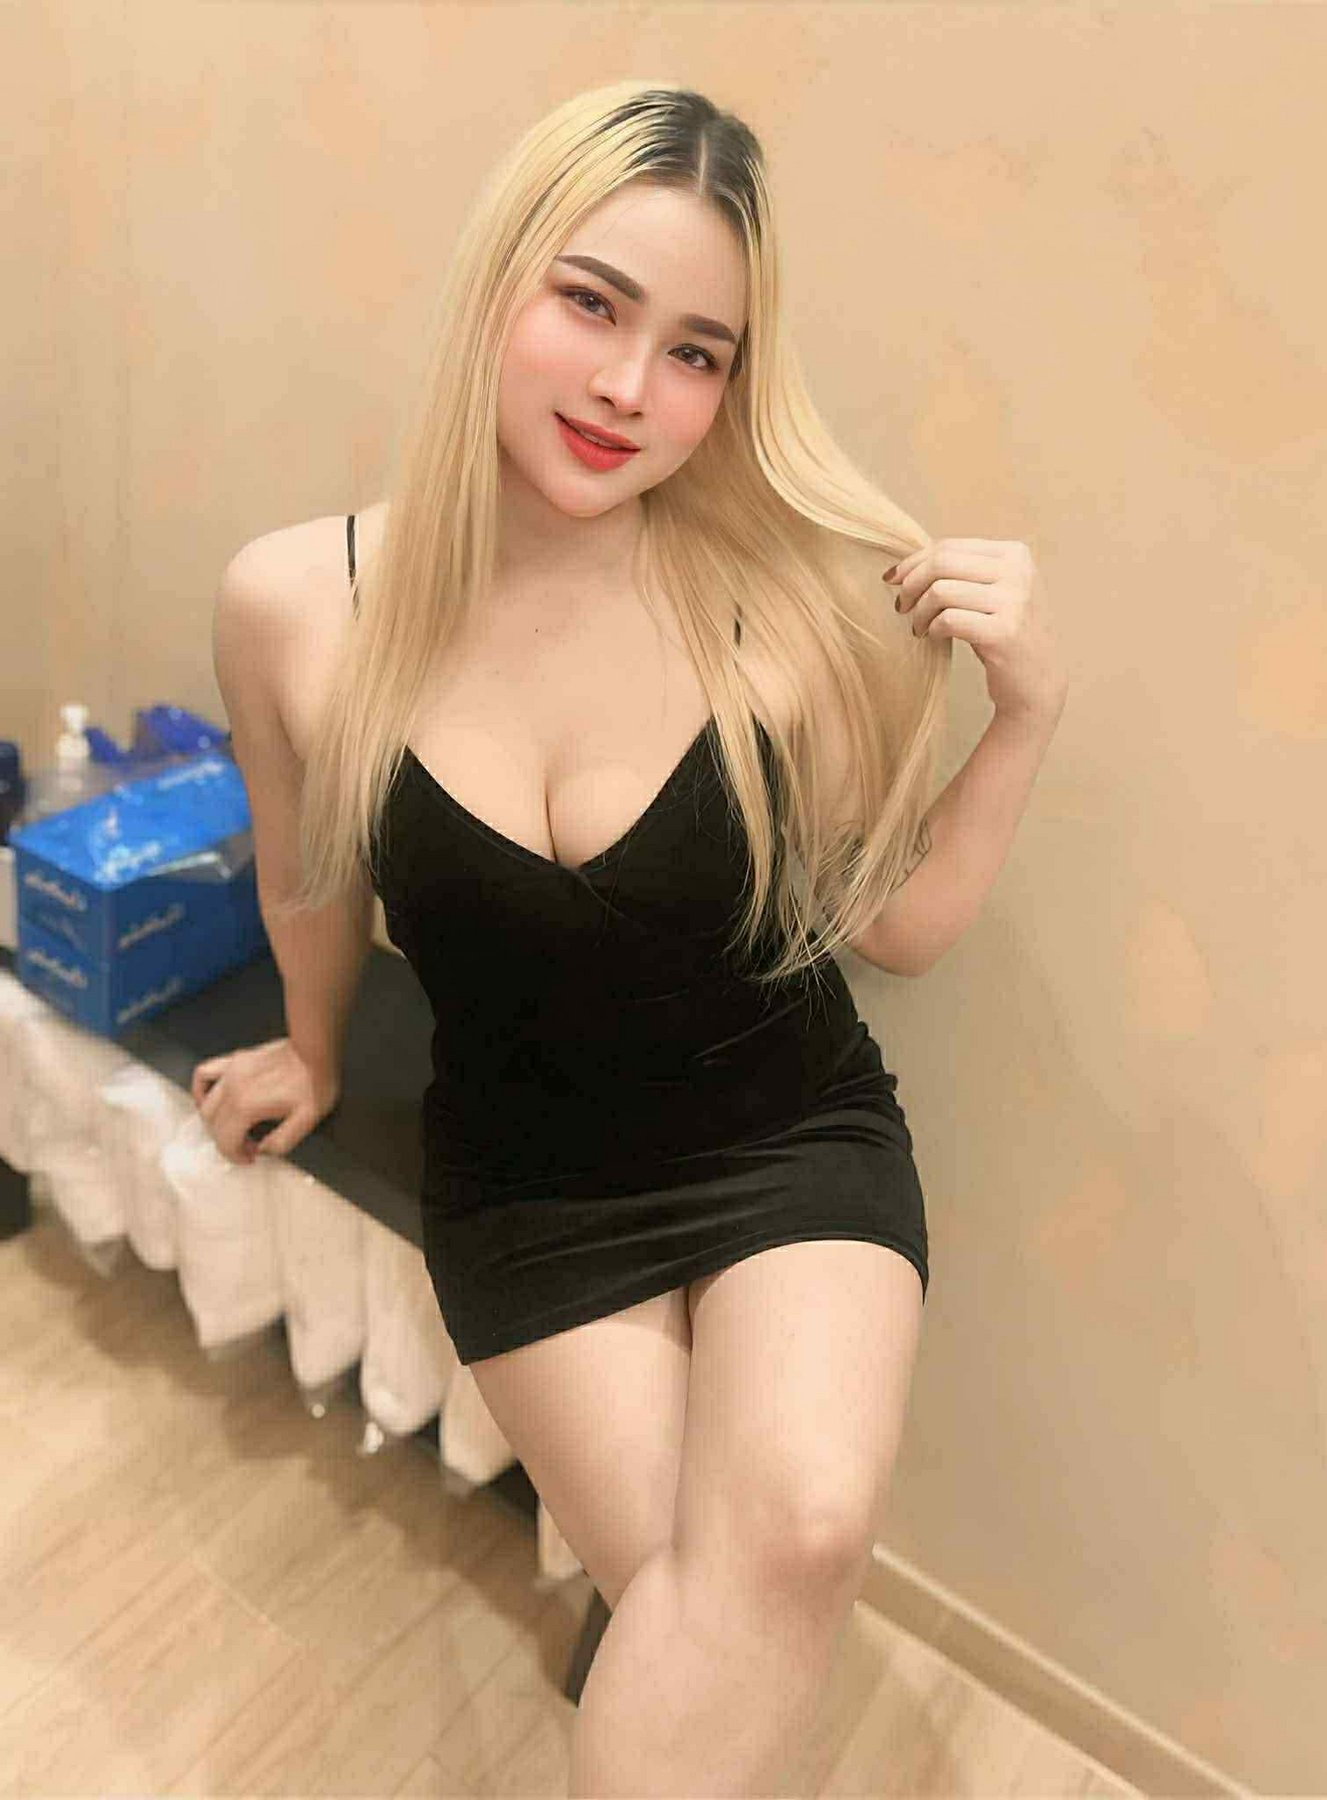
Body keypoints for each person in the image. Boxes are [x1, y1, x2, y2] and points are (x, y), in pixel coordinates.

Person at [192, 80, 1068, 1798]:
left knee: (790, 1539)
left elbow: (899, 929)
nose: (626, 388)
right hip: (532, 1184)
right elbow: (304, 873)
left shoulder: (769, 616)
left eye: (694, 353)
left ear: (734, 388)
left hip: (782, 1130)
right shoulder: (290, 605)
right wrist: (308, 1044)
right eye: (590, 304)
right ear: (495, 282)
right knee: (696, 1592)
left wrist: (1024, 717)